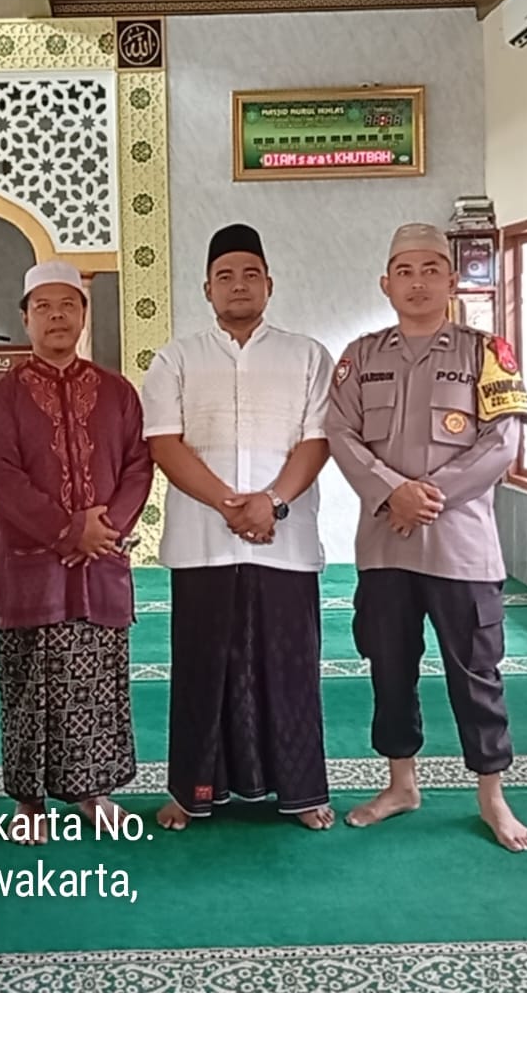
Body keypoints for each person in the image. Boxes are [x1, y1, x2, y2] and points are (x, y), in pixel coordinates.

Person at [325, 221, 527, 852]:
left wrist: (425, 496)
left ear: (451, 280)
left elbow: (502, 442)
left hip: (460, 547)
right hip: (386, 546)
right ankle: (401, 784)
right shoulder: (361, 357)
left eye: (430, 271)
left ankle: (492, 796)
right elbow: (340, 433)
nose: (417, 283)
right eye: (404, 272)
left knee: (477, 673)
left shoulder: (487, 352)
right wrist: (393, 491)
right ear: (385, 284)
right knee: (390, 669)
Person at [140, 224, 335, 832]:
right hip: (203, 544)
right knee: (202, 672)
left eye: (251, 274)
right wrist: (231, 505)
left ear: (269, 284)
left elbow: (318, 440)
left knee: (290, 671)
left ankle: (302, 791)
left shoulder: (308, 355)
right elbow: (163, 443)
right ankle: (193, 792)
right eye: (225, 276)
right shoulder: (176, 358)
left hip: (285, 543)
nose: (238, 285)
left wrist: (271, 502)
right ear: (207, 288)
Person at [0, 261, 154, 842]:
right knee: (29, 687)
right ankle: (29, 803)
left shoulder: (118, 393)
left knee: (95, 685)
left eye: (68, 305)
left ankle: (92, 792)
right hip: (31, 570)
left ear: (83, 315)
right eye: (44, 307)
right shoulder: (0, 399)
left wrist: (105, 528)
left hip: (99, 566)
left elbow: (138, 466)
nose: (57, 317)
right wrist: (69, 531)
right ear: (25, 319)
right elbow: (0, 478)